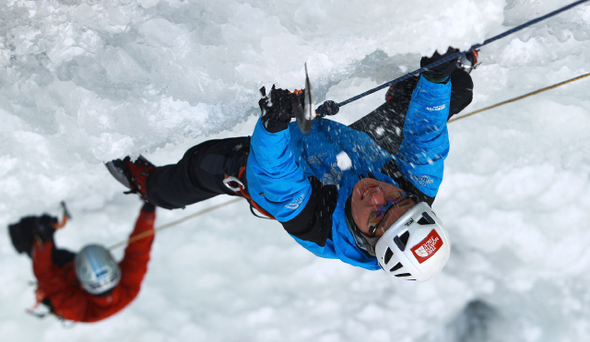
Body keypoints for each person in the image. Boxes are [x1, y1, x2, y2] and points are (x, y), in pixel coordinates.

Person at [107, 48, 476, 282]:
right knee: (453, 89)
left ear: (366, 240)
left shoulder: (318, 225)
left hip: (289, 167)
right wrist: (436, 78)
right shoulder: (416, 188)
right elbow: (426, 134)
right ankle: (414, 87)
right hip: (354, 152)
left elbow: (275, 175)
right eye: (399, 201)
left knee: (202, 167)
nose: (380, 196)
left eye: (378, 218)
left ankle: (149, 187)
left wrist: (274, 126)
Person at [7, 201, 156, 322]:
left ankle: (18, 227)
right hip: (74, 278)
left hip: (67, 291)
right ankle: (44, 225)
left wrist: (42, 241)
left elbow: (44, 273)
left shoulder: (74, 304)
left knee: (35, 247)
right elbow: (139, 250)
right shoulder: (129, 287)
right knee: (54, 251)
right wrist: (148, 212)